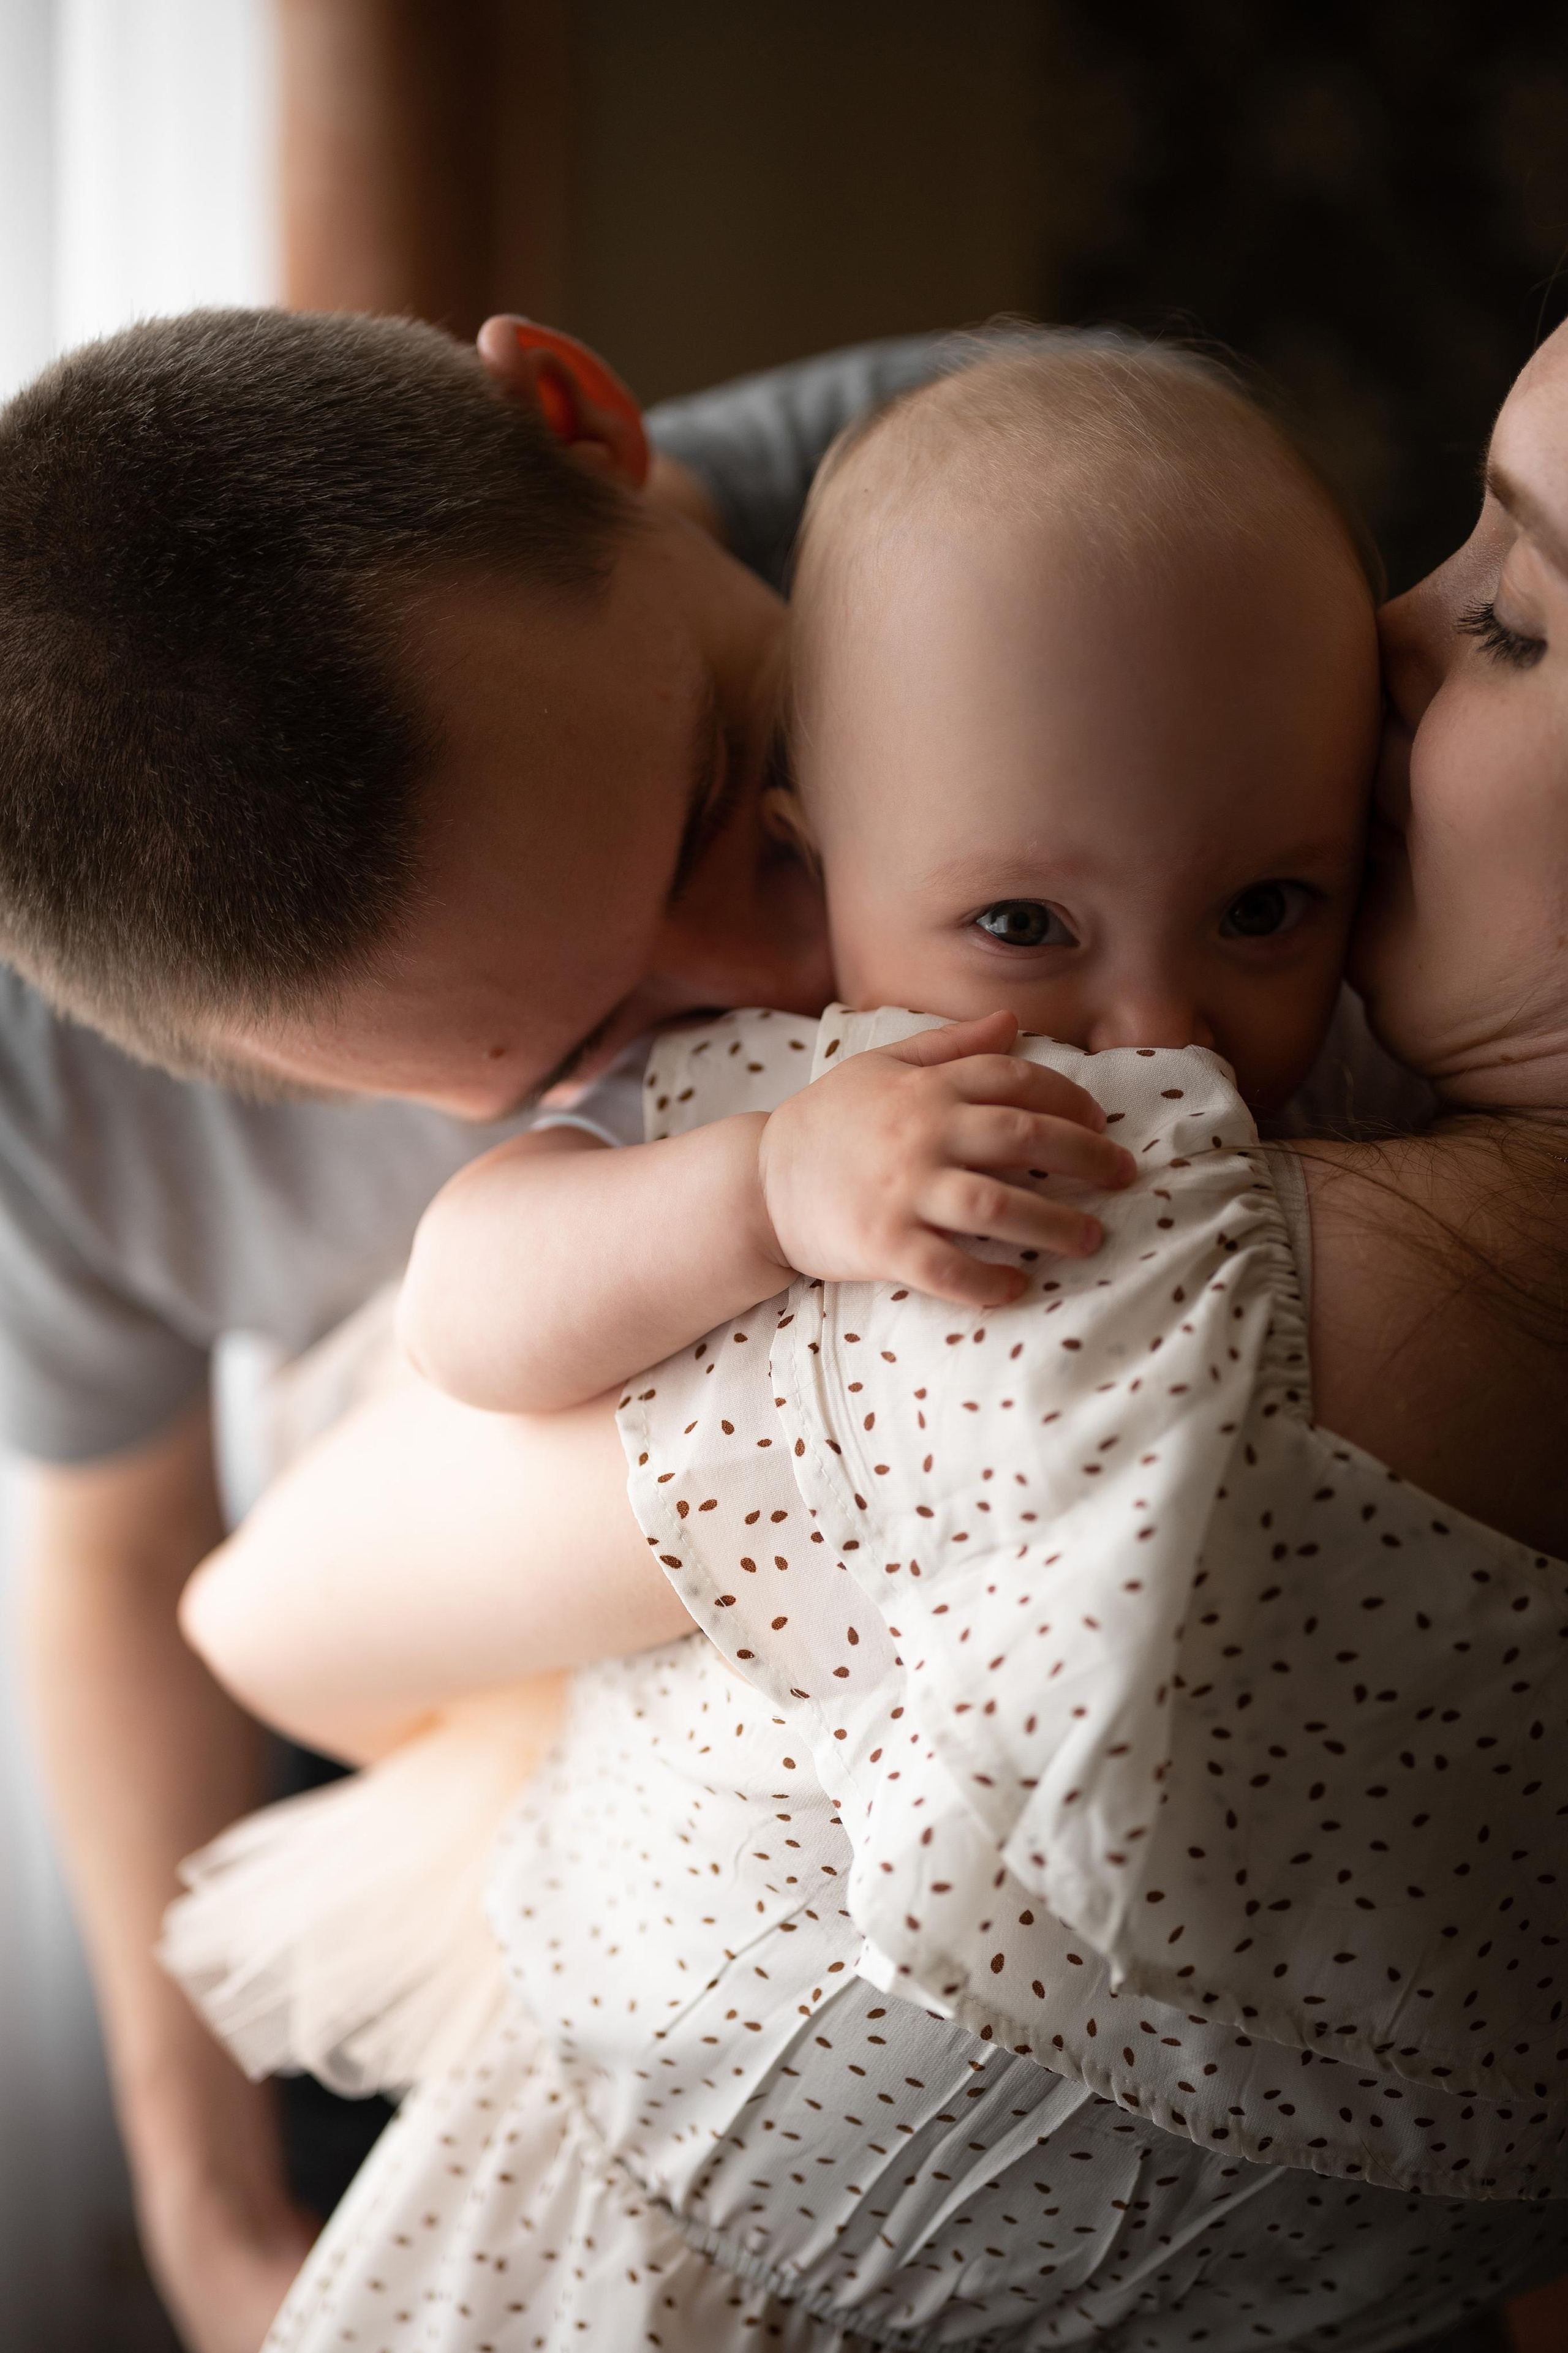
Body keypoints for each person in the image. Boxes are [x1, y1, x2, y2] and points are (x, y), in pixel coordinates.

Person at [170, 345, 1566, 2344]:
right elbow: (472, 1276)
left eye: (1269, 900)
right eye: (1019, 924)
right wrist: (753, 1199)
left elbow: (276, 1611)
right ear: (829, 865)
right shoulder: (849, 1098)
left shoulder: (1167, 1244)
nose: (1155, 1028)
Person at [0, 303, 990, 2353]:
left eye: (731, 776)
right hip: (460, 1777)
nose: (778, 956)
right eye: (592, 1039)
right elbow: (117, 1549)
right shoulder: (42, 1076)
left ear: (580, 421)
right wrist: (200, 2210)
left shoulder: (1014, 503)